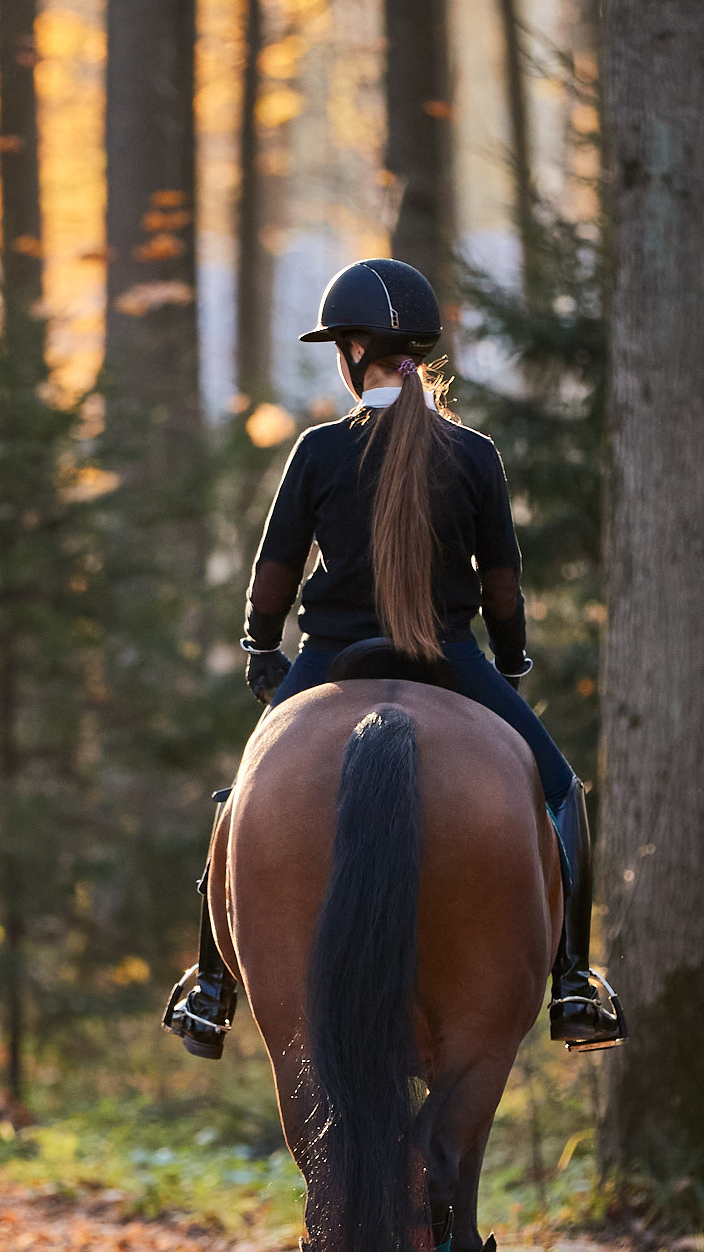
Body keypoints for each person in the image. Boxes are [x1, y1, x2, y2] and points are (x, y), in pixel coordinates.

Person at [164, 257, 623, 1058]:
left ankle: (210, 986)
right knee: (560, 791)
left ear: (352, 351)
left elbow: (274, 571)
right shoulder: (474, 454)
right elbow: (504, 587)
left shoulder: (318, 451)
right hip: (450, 659)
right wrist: (508, 663)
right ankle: (575, 981)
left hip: (333, 658)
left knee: (240, 798)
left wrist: (261, 648)